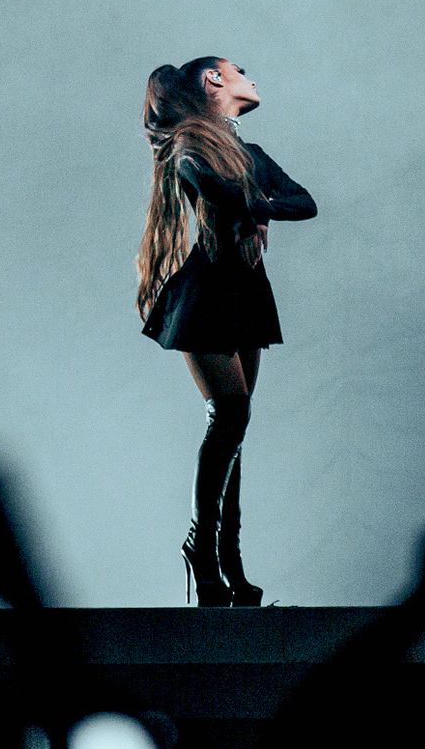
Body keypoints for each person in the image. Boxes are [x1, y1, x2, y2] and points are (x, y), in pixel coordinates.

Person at [135, 57, 317, 606]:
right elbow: (213, 188)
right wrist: (260, 207)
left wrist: (257, 205)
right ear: (214, 80)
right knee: (231, 414)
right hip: (206, 291)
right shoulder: (190, 145)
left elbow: (306, 203)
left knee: (235, 428)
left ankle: (229, 557)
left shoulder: (253, 155)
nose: (252, 77)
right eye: (239, 69)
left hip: (246, 291)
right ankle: (204, 549)